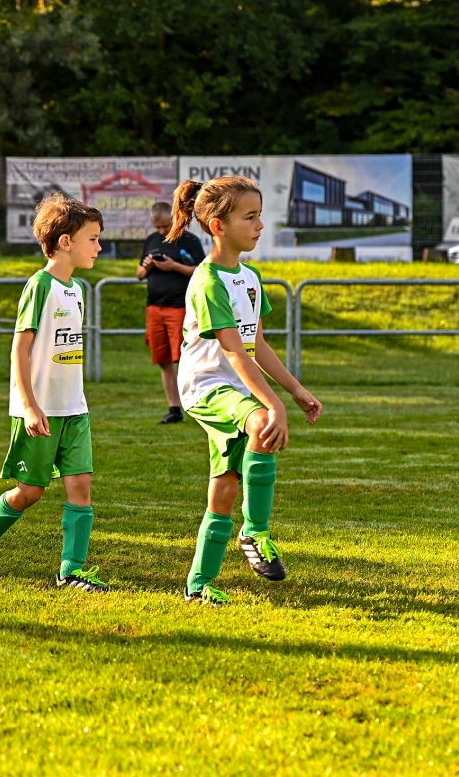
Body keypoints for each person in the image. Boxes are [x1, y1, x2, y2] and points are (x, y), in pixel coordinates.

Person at [169, 177, 324, 606]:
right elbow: (234, 352)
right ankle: (255, 532)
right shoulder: (207, 281)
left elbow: (256, 343)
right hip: (206, 386)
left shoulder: (249, 277)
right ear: (218, 225)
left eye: (260, 215)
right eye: (249, 217)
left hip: (237, 385)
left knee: (226, 486)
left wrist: (293, 389)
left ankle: (198, 584)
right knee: (262, 424)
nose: (259, 225)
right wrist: (271, 404)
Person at [0, 193, 109, 591]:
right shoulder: (40, 285)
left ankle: (71, 571)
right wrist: (28, 405)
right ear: (65, 242)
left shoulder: (77, 289)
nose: (99, 246)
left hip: (74, 409)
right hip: (39, 410)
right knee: (31, 492)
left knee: (81, 486)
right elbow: (21, 347)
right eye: (92, 239)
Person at [137, 200, 206, 423]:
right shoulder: (151, 241)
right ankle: (174, 409)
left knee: (185, 358)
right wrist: (147, 266)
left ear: (175, 219)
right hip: (154, 307)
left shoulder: (189, 240)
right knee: (163, 359)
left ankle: (198, 404)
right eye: (157, 227)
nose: (161, 231)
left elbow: (201, 270)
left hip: (180, 307)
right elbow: (139, 274)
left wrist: (174, 266)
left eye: (165, 226)